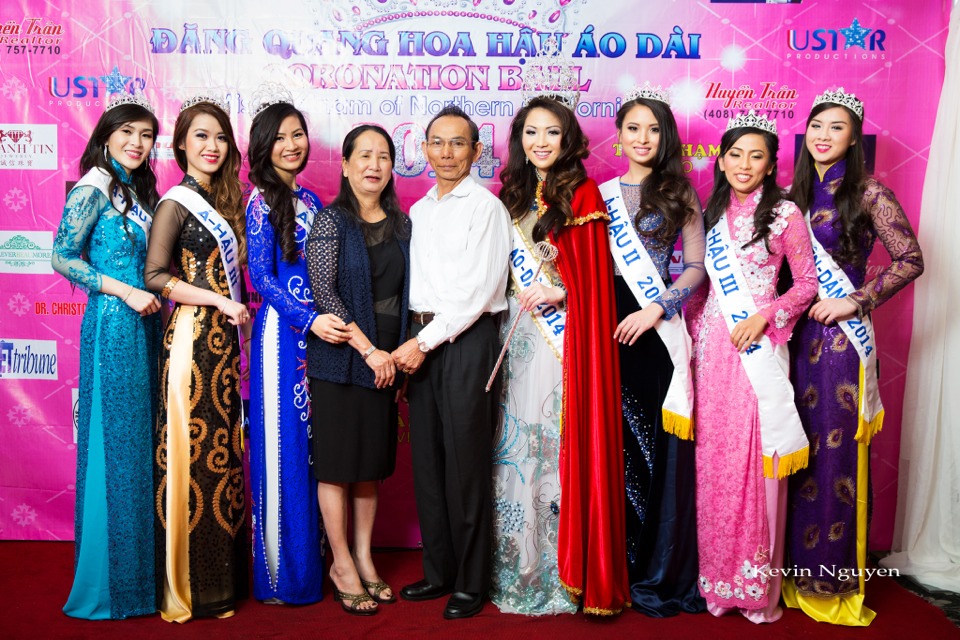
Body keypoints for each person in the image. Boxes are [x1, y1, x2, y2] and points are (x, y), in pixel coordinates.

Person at [782, 89, 923, 626]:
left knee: (835, 459)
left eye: (836, 127)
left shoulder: (869, 192)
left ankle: (830, 584)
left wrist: (856, 299)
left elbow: (910, 258)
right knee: (797, 456)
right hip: (794, 341)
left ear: (853, 138)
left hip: (841, 348)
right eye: (817, 125)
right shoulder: (790, 194)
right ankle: (791, 577)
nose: (823, 135)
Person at [496, 96, 628, 616]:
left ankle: (559, 569)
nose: (541, 142)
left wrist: (560, 291)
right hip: (515, 333)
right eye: (531, 133)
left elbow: (594, 278)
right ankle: (518, 563)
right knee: (516, 446)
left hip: (562, 339)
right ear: (520, 139)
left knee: (553, 445)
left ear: (567, 137)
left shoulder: (581, 191)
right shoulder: (510, 194)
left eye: (552, 132)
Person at [686, 111, 817, 623]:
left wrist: (764, 316)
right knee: (714, 463)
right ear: (721, 159)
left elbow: (805, 284)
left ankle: (754, 588)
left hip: (757, 345)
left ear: (770, 165)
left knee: (753, 459)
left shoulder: (786, 215)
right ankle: (717, 583)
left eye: (755, 156)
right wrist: (694, 334)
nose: (743, 164)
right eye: (735, 154)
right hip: (713, 348)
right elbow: (703, 287)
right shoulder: (712, 209)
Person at [393, 105, 511, 620]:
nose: (446, 153)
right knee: (429, 462)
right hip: (424, 337)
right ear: (422, 150)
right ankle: (438, 571)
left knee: (465, 464)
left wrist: (426, 341)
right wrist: (413, 340)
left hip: (465, 339)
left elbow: (479, 289)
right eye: (437, 143)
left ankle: (470, 581)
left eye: (458, 143)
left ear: (476, 151)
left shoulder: (486, 208)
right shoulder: (418, 211)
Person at [53, 92, 161, 620]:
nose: (138, 143)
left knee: (139, 451)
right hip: (115, 326)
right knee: (115, 451)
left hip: (146, 326)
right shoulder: (94, 187)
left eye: (146, 135)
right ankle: (109, 586)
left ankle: (141, 582)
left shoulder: (136, 189)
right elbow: (61, 257)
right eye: (128, 134)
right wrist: (120, 290)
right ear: (106, 136)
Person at [599, 85, 706, 617]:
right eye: (633, 128)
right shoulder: (596, 195)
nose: (643, 138)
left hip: (653, 329)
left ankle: (650, 566)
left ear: (665, 137)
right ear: (618, 136)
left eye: (654, 129)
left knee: (653, 450)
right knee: (611, 446)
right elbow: (585, 269)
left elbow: (695, 268)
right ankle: (610, 566)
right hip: (604, 328)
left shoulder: (679, 194)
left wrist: (657, 309)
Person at [145, 97, 249, 622]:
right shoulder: (175, 204)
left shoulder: (228, 201)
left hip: (223, 348)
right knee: (193, 455)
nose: (212, 147)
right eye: (201, 136)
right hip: (190, 341)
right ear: (182, 144)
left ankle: (221, 578)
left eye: (220, 137)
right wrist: (217, 300)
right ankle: (189, 584)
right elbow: (156, 277)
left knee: (222, 457)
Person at [305, 124, 410, 616]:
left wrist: (399, 353)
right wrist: (369, 350)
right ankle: (342, 563)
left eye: (383, 155)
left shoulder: (403, 222)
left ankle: (366, 557)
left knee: (369, 467)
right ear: (345, 165)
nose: (374, 164)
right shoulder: (331, 221)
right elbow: (325, 291)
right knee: (339, 465)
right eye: (364, 155)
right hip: (345, 359)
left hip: (390, 360)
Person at [245, 95, 324, 605]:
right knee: (283, 451)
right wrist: (308, 318)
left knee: (313, 451)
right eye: (280, 137)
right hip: (281, 338)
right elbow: (261, 277)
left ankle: (309, 568)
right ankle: (279, 577)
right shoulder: (259, 201)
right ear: (263, 147)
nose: (291, 145)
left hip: (320, 338)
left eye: (297, 134)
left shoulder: (313, 199)